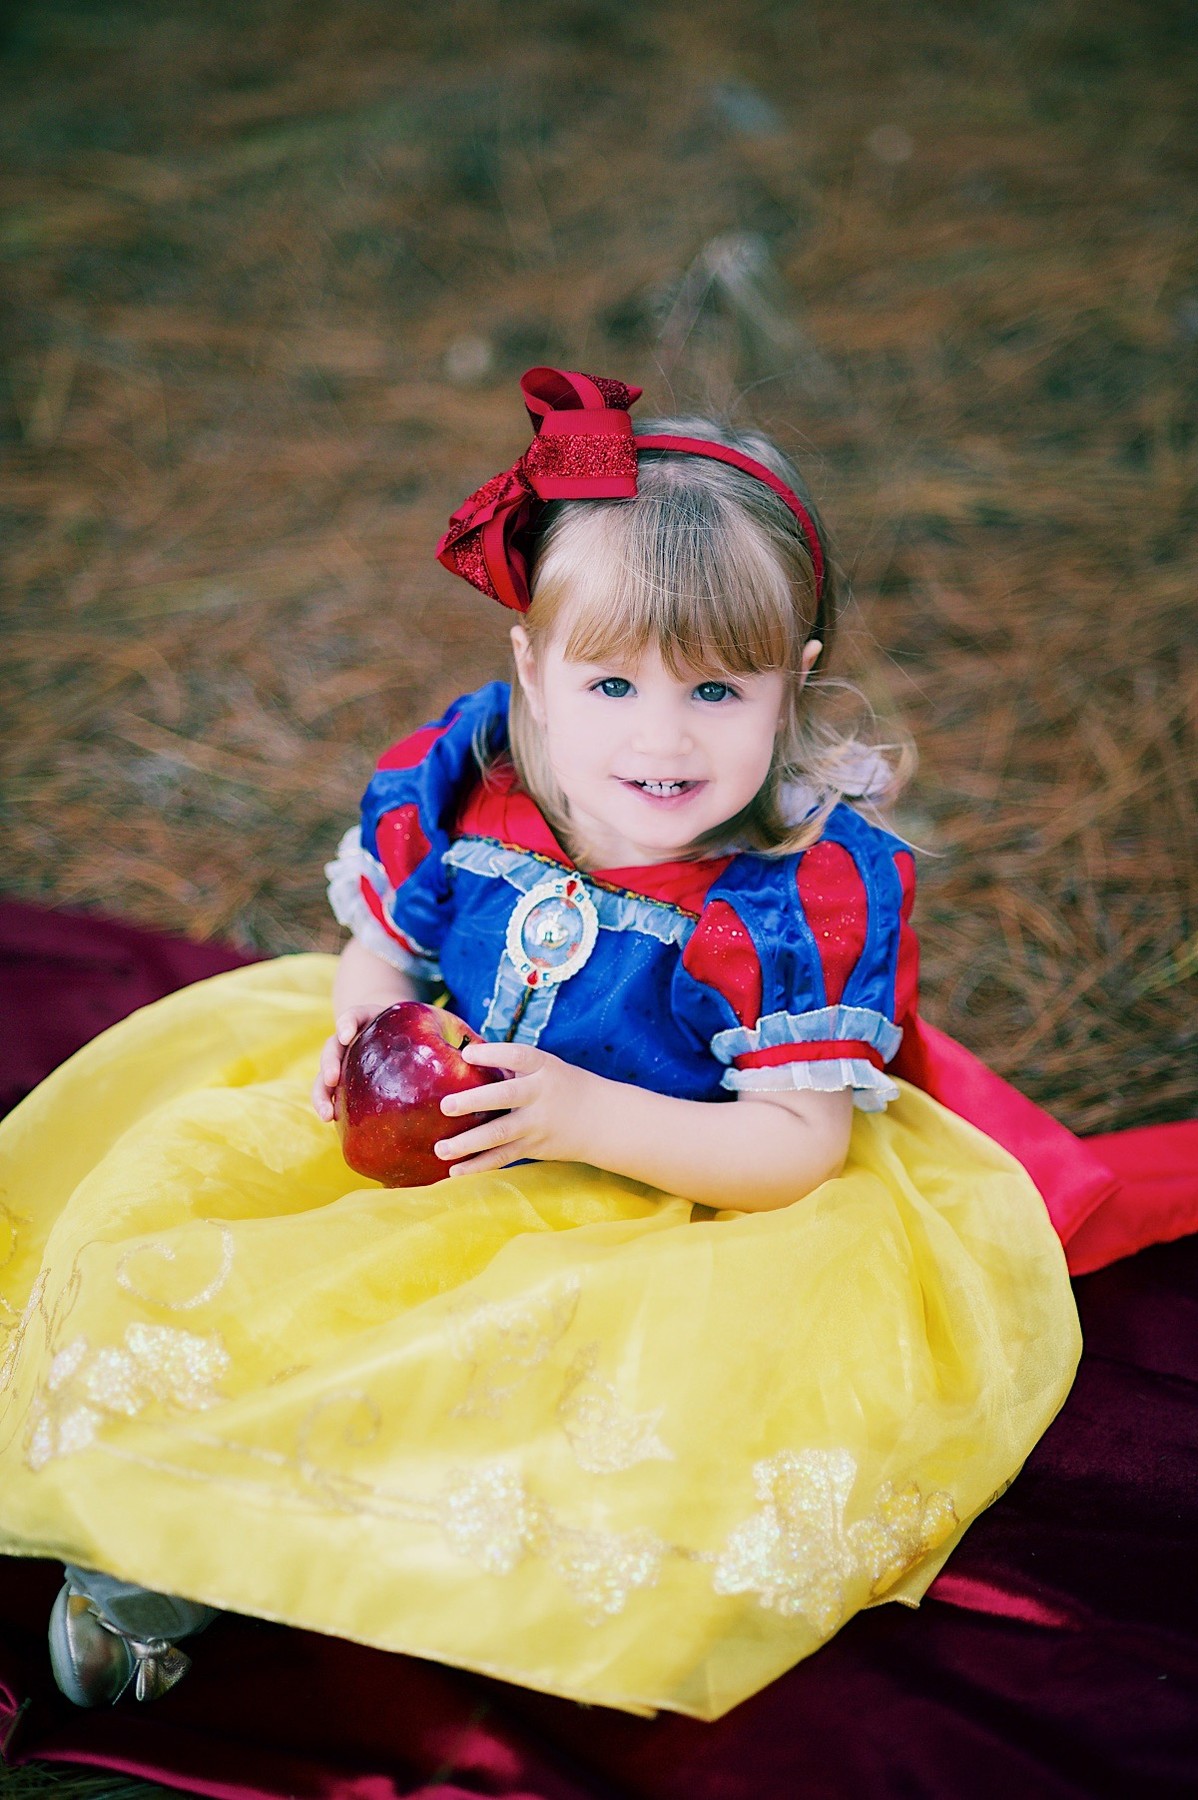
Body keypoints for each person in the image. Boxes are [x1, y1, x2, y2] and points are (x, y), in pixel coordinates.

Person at [0, 368, 1081, 1723]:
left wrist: (580, 1120)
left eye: (716, 691)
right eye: (613, 681)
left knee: (556, 1404)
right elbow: (388, 953)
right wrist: (362, 1042)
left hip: (661, 1192)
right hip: (435, 1149)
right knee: (236, 1285)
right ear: (532, 668)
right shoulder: (473, 776)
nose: (659, 737)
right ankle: (155, 1547)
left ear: (792, 689)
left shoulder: (790, 893)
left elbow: (794, 1147)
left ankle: (385, 1569)